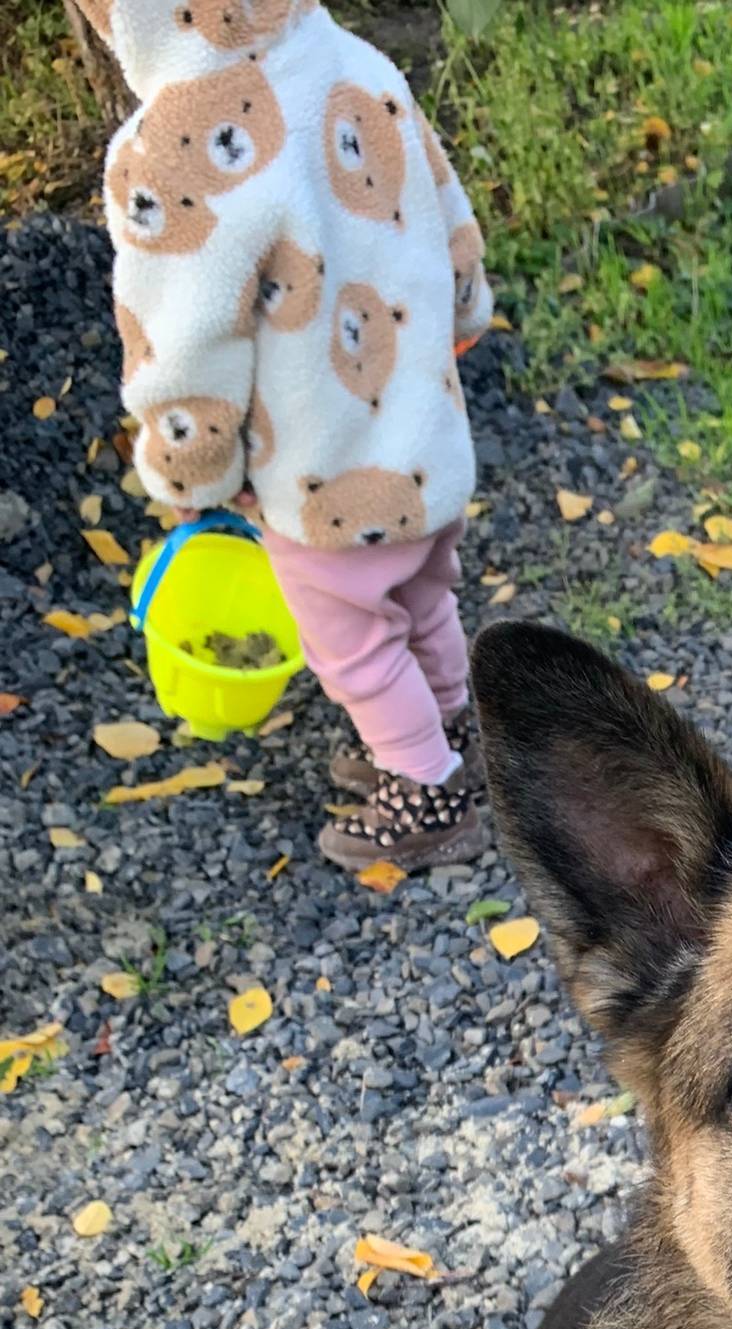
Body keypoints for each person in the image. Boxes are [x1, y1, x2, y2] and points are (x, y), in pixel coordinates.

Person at [96, 0, 493, 868]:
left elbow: (184, 341)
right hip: (424, 426)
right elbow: (444, 204)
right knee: (422, 591)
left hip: (323, 464)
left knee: (350, 639)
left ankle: (427, 787)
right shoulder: (354, 60)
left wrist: (192, 470)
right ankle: (452, 729)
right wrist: (466, 306)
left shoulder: (171, 143)